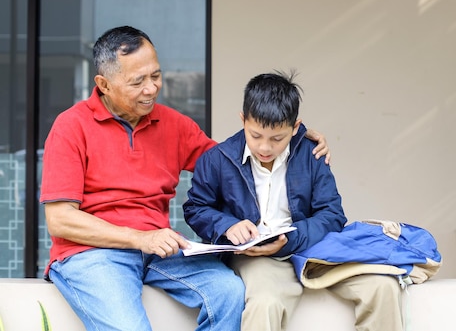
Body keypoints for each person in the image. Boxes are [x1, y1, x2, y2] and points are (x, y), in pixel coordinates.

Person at [39, 26, 330, 331]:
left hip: (159, 251)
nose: (151, 88)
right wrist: (139, 237)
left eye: (155, 75)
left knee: (229, 294)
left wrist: (294, 140)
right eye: (138, 81)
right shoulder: (71, 126)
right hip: (91, 255)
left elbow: (234, 160)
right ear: (104, 84)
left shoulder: (173, 124)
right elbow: (60, 220)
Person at [183, 71, 405, 331]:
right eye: (255, 136)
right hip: (256, 257)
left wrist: (291, 240)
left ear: (296, 126)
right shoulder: (217, 159)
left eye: (277, 138)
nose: (265, 147)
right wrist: (228, 225)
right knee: (265, 302)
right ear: (243, 120)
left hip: (312, 250)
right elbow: (196, 209)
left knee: (383, 286)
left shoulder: (312, 154)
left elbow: (332, 215)